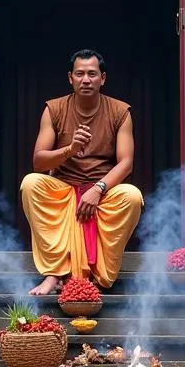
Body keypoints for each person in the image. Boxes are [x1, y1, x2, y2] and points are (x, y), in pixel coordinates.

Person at [21, 49, 143, 294]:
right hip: (63, 188)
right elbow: (39, 162)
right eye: (80, 74)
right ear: (70, 78)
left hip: (103, 192)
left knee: (131, 196)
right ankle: (54, 274)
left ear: (103, 78)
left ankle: (95, 275)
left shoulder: (120, 112)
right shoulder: (54, 109)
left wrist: (98, 189)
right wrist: (70, 148)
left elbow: (125, 163)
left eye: (92, 74)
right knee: (31, 183)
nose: (86, 79)